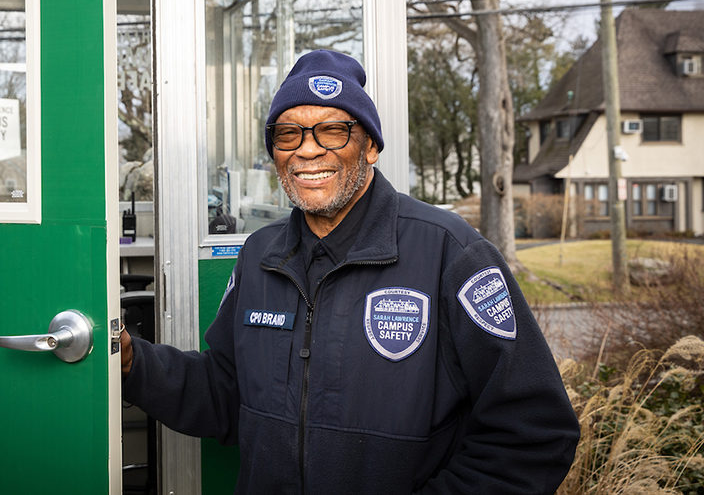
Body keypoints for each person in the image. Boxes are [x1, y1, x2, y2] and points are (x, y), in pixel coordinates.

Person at [120, 49, 579, 494]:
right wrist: (133, 363)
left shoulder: (451, 253)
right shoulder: (260, 255)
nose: (307, 151)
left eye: (333, 131)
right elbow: (224, 396)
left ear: (371, 147)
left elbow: (533, 433)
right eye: (288, 134)